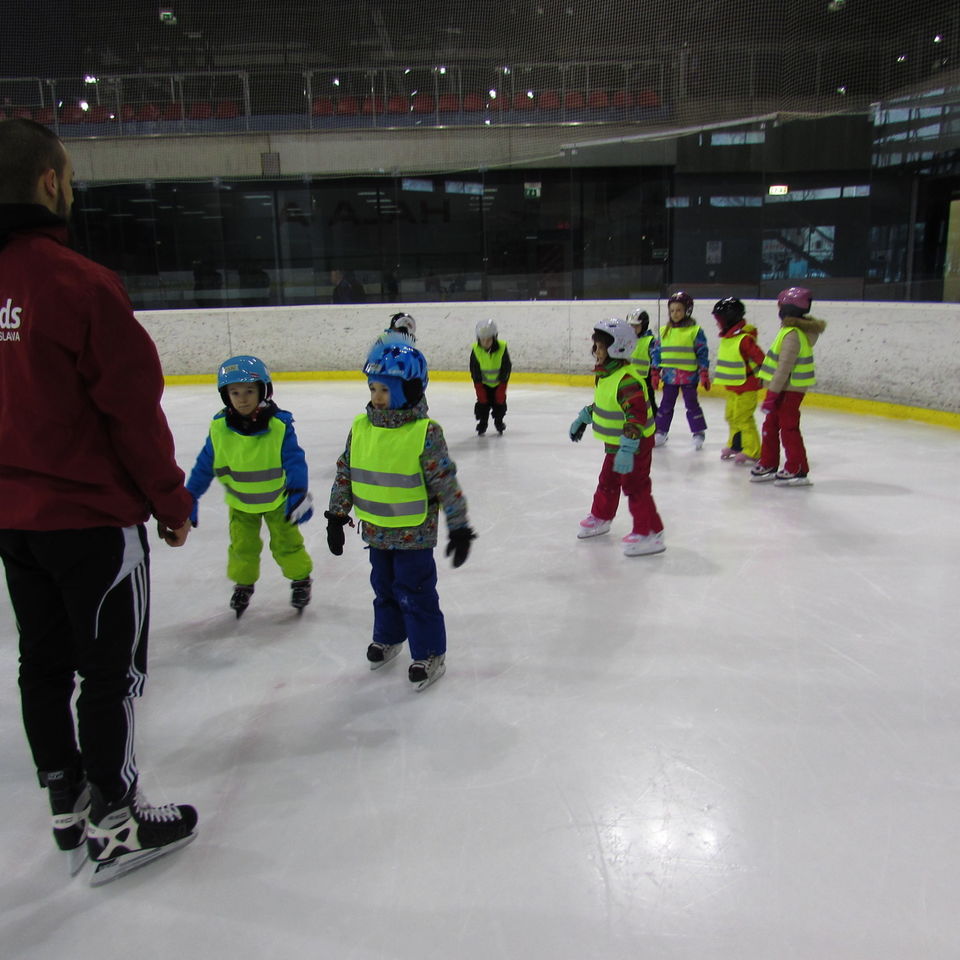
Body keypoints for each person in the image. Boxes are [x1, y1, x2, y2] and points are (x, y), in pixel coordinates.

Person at [0, 119, 197, 885]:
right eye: (70, 175)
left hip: (13, 523)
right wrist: (170, 502)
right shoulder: (78, 284)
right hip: (90, 522)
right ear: (49, 182)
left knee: (40, 664)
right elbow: (131, 410)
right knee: (107, 673)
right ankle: (114, 820)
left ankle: (66, 799)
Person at [324, 334, 475, 690]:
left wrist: (459, 526)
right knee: (384, 588)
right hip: (376, 531)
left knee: (416, 591)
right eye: (373, 388)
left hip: (414, 534)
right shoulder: (360, 428)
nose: (376, 396)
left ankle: (429, 651)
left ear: (408, 389)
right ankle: (389, 636)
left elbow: (444, 481)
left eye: (385, 390)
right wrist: (335, 515)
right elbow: (346, 471)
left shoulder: (425, 432)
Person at [186, 355, 315, 617]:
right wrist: (189, 498)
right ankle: (243, 584)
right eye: (235, 392)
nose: (242, 398)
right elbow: (203, 465)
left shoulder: (279, 426)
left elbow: (295, 461)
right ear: (226, 395)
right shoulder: (219, 429)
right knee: (242, 548)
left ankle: (301, 579)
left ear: (262, 391)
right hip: (241, 505)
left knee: (287, 545)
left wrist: (298, 493)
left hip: (278, 503)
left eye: (249, 391)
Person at [569, 318, 665, 557]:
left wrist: (628, 446)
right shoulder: (606, 375)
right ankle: (602, 516)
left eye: (600, 347)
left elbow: (636, 417)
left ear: (617, 348)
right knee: (608, 480)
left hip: (635, 443)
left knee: (635, 486)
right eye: (596, 346)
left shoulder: (628, 380)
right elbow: (606, 404)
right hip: (616, 443)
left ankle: (650, 533)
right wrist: (584, 417)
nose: (596, 351)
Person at [750, 287, 826, 486]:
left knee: (788, 427)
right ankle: (769, 462)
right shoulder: (789, 331)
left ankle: (797, 468)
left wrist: (772, 394)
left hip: (789, 390)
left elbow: (784, 369)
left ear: (787, 309)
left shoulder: (792, 334)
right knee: (771, 425)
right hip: (783, 388)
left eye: (781, 306)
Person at [650, 291, 710, 449]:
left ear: (687, 311)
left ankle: (698, 432)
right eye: (672, 310)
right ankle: (661, 431)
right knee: (666, 405)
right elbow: (657, 352)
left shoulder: (695, 331)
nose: (675, 313)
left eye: (679, 310)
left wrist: (704, 371)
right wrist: (655, 371)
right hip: (669, 377)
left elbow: (702, 352)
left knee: (691, 404)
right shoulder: (664, 331)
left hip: (689, 377)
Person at [712, 297, 766, 464]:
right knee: (731, 417)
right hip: (733, 388)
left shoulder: (744, 339)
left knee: (743, 418)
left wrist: (768, 375)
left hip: (746, 387)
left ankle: (753, 450)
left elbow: (760, 358)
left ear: (729, 319)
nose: (717, 324)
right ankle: (736, 445)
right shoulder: (729, 338)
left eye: (719, 320)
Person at [470, 318, 512, 436]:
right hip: (483, 384)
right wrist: (478, 385)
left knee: (499, 403)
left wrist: (503, 383)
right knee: (482, 404)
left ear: (494, 338)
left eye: (489, 340)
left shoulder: (502, 348)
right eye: (483, 340)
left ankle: (499, 421)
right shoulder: (476, 350)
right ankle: (483, 423)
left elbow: (506, 366)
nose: (486, 342)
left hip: (499, 383)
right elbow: (474, 369)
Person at [626, 308, 657, 417]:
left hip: (645, 380)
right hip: (629, 379)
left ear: (644, 325)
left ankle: (655, 424)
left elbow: (656, 359)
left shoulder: (650, 341)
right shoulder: (627, 340)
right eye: (630, 326)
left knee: (649, 403)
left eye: (636, 326)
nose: (632, 329)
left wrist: (655, 374)